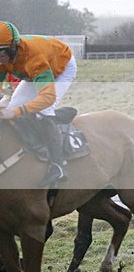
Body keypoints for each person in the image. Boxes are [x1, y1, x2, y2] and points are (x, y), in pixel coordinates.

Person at [0, 21, 78, 186]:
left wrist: (15, 113)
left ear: (14, 46)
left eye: (1, 51)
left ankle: (58, 165)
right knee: (13, 106)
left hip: (60, 68)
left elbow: (47, 97)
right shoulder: (5, 55)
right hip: (32, 73)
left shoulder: (34, 57)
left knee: (44, 109)